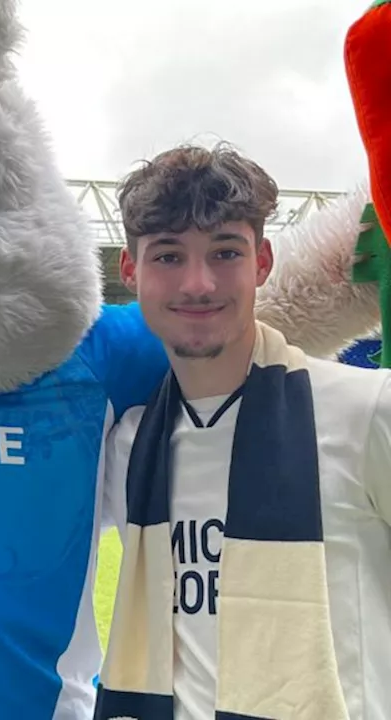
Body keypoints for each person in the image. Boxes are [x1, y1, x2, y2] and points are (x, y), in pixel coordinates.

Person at [95, 144, 391, 719]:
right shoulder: (130, 445)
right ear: (130, 272)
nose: (199, 284)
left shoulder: (367, 409)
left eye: (225, 252)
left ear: (262, 262)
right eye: (168, 256)